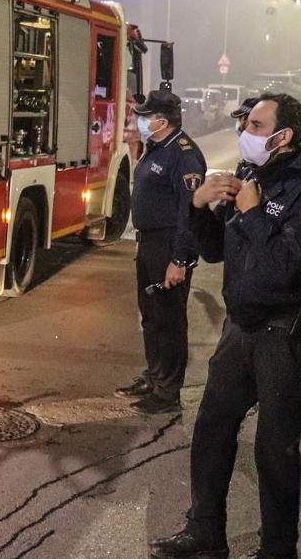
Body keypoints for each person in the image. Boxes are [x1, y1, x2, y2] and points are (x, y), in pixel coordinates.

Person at [150, 93, 301, 559]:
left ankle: (278, 549)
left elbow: (287, 266)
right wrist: (197, 206)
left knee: (275, 450)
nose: (245, 134)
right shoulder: (248, 175)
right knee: (213, 428)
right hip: (240, 330)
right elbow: (216, 249)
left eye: (256, 126)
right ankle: (205, 532)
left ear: (284, 136)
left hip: (286, 334)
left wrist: (254, 212)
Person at [116, 89, 207, 415]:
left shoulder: (184, 155)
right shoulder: (157, 147)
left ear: (162, 120)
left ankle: (167, 392)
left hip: (169, 245)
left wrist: (179, 260)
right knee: (151, 316)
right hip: (150, 243)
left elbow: (190, 213)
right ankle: (155, 375)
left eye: (145, 116)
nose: (139, 120)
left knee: (169, 320)